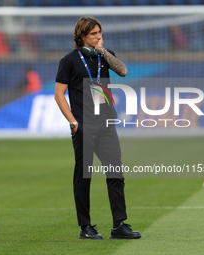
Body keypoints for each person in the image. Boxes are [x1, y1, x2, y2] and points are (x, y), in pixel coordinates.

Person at [55, 16, 141, 240]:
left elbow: (123, 71)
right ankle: (85, 227)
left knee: (116, 173)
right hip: (84, 125)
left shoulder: (105, 55)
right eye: (93, 33)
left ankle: (119, 225)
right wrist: (73, 123)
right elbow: (59, 95)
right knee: (84, 177)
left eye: (100, 32)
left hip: (106, 124)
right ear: (82, 36)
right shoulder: (69, 61)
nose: (98, 36)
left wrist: (103, 51)